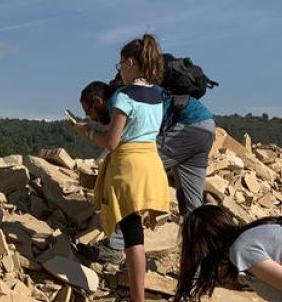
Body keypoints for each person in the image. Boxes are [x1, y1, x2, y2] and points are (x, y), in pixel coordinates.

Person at [73, 34, 170, 302]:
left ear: (130, 63)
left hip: (128, 167)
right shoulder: (157, 95)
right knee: (135, 232)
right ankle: (137, 301)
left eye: (120, 65)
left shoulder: (126, 96)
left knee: (132, 237)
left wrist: (86, 132)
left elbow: (112, 141)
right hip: (151, 165)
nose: (119, 71)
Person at [86, 88, 216, 261]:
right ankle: (202, 264)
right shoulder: (145, 90)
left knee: (127, 175)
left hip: (185, 126)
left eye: (88, 111)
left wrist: (91, 134)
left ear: (97, 101)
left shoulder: (119, 99)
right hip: (206, 126)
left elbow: (120, 142)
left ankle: (115, 246)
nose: (90, 117)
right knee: (192, 206)